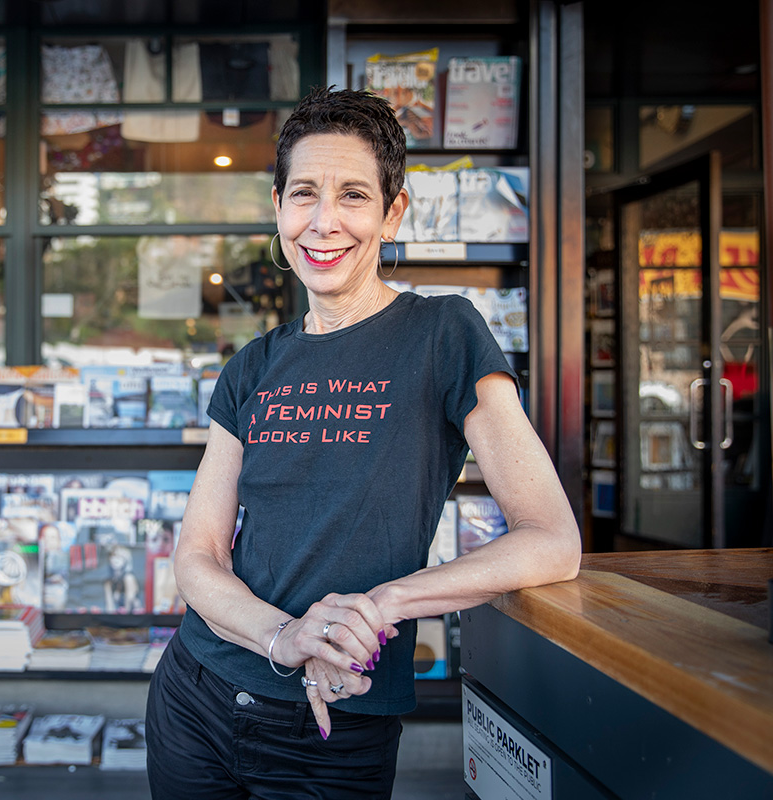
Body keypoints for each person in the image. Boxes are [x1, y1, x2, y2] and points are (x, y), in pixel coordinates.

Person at [144, 87, 580, 800]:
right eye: (304, 194)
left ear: (392, 212)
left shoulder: (443, 334)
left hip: (333, 723)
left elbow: (552, 540)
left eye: (352, 195)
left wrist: (382, 606)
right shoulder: (253, 364)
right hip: (196, 695)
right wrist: (285, 637)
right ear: (278, 205)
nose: (323, 222)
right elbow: (198, 556)